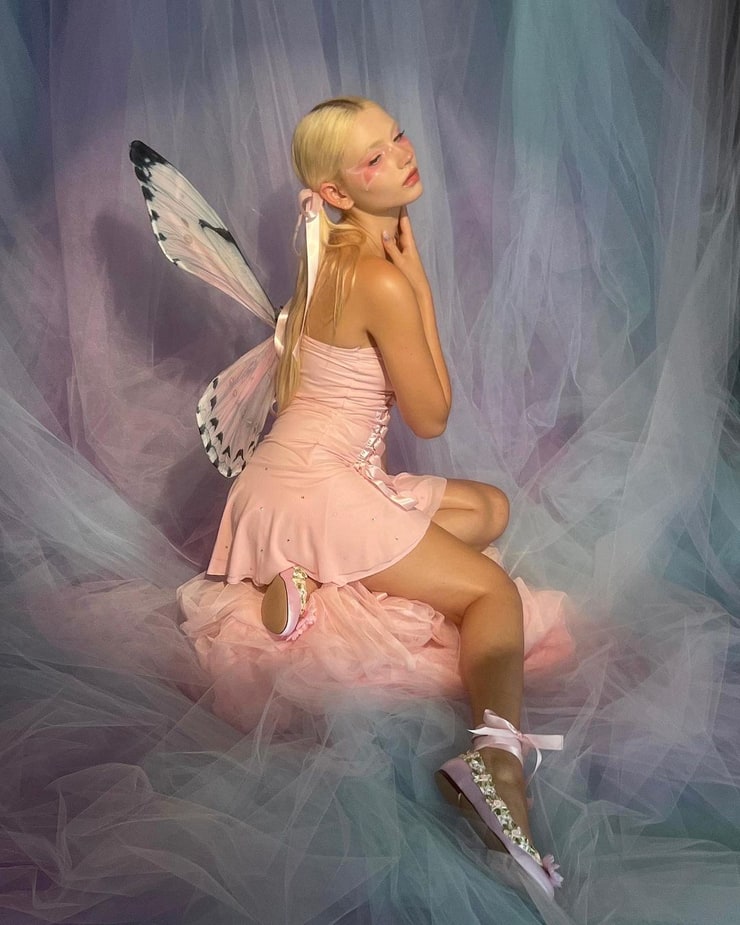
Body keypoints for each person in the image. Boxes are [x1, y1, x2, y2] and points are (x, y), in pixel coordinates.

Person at [202, 96, 563, 898]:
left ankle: (304, 577)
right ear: (336, 192)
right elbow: (432, 415)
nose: (401, 153)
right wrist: (419, 283)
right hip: (318, 488)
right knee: (491, 591)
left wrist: (407, 276)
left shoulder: (324, 253)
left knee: (488, 510)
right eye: (374, 157)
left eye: (394, 135)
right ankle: (496, 764)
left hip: (280, 483)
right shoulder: (378, 277)